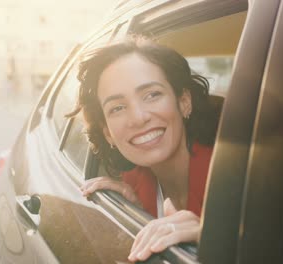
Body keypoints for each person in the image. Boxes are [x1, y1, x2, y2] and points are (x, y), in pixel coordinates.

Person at [68, 36, 219, 262]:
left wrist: (215, 240)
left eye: (152, 95)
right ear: (107, 132)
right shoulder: (133, 183)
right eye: (117, 108)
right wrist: (137, 209)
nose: (138, 118)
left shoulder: (237, 181)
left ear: (184, 101)